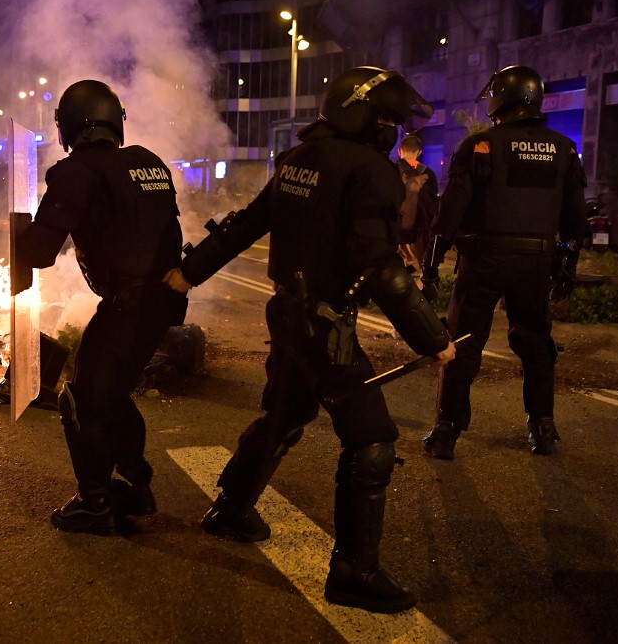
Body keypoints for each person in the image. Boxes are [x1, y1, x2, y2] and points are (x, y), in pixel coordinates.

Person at [163, 66, 455, 614]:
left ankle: (231, 510)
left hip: (288, 314)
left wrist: (189, 272)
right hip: (325, 323)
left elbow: (246, 223)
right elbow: (380, 266)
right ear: (360, 112)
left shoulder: (299, 160)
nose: (392, 129)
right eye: (386, 117)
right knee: (371, 441)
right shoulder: (371, 171)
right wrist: (432, 337)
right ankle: (353, 572)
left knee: (287, 412)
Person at [12, 79, 188, 535]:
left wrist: (19, 233)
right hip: (162, 304)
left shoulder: (77, 171)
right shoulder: (148, 163)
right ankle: (135, 485)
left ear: (70, 127)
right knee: (111, 393)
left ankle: (95, 503)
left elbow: (39, 252)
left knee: (82, 399)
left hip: (127, 306)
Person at [421, 65, 586, 459]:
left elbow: (451, 213)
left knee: (463, 343)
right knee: (536, 343)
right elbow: (576, 219)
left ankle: (446, 430)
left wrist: (431, 262)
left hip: (484, 260)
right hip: (536, 261)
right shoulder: (563, 148)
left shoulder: (482, 145)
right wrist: (568, 263)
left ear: (499, 98)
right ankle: (543, 428)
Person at [395, 134, 439, 272]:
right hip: (417, 234)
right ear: (419, 152)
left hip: (392, 232)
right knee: (415, 271)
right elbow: (433, 207)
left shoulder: (390, 170)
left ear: (399, 151)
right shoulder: (428, 174)